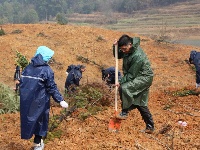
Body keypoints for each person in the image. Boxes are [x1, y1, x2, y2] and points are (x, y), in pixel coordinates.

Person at [19, 46, 68, 150]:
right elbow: (51, 87)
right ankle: (37, 144)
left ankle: (34, 141)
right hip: (40, 101)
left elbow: (22, 83)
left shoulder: (28, 67)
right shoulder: (46, 70)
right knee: (41, 121)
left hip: (26, 100)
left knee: (29, 120)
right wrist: (60, 100)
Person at [113, 34, 154, 134]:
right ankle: (150, 127)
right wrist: (114, 46)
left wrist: (120, 82)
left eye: (124, 49)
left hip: (144, 77)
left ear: (130, 45)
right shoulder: (127, 50)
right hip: (137, 76)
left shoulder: (137, 55)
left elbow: (131, 74)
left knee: (124, 88)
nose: (123, 51)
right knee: (140, 102)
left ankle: (125, 111)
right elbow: (117, 55)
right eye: (121, 49)